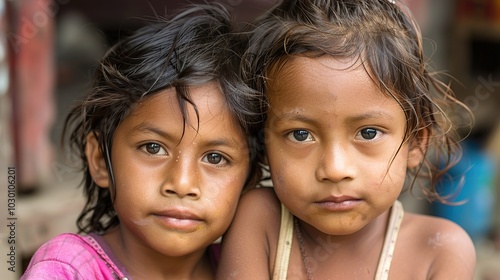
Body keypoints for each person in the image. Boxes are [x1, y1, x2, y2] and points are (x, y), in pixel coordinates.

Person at [216, 0, 476, 279]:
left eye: (368, 133)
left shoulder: (439, 250)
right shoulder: (260, 221)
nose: (335, 169)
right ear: (264, 144)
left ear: (415, 142)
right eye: (301, 135)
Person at [21, 3, 263, 279]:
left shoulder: (244, 267)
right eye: (153, 148)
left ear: (249, 179)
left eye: (215, 157)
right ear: (100, 159)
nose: (182, 184)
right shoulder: (68, 269)